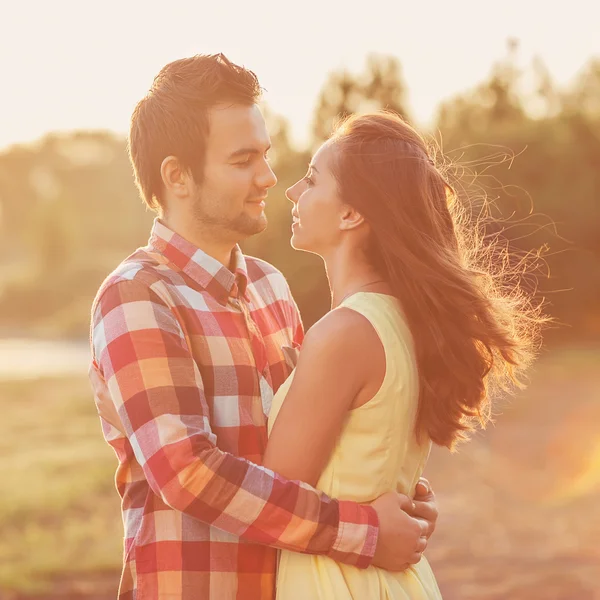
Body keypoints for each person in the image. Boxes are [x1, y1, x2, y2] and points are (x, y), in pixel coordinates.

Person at [88, 54, 438, 600]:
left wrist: (402, 496)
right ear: (177, 176)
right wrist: (366, 533)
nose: (268, 178)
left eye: (266, 155)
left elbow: (320, 439)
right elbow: (187, 473)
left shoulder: (270, 287)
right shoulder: (137, 296)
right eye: (243, 160)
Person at [262, 111, 543, 599]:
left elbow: (271, 500)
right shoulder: (402, 323)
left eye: (311, 180)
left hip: (337, 583)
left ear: (352, 214)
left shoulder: (344, 333)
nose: (291, 192)